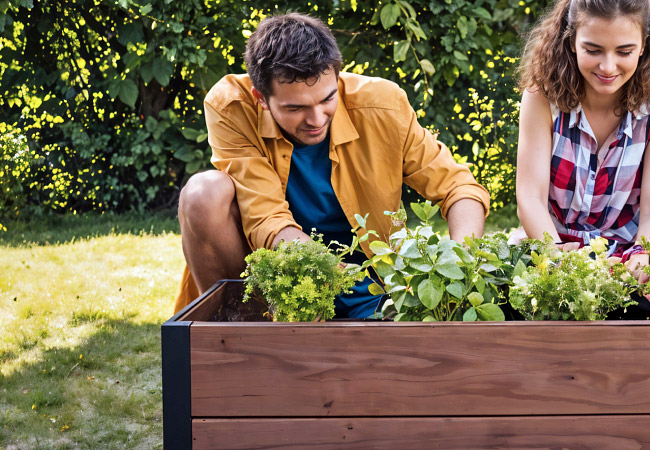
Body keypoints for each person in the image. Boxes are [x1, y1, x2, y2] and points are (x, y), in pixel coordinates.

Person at [174, 13, 489, 318]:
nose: (315, 119)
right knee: (203, 192)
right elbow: (267, 221)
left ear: (337, 77)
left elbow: (458, 188)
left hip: (377, 282)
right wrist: (330, 271)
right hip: (282, 279)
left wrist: (457, 267)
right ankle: (241, 329)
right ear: (261, 98)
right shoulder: (231, 106)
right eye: (295, 107)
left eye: (327, 99)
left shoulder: (383, 104)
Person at [514, 0, 650, 315]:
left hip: (624, 258)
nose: (607, 66)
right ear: (571, 41)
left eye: (624, 52)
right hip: (549, 249)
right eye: (593, 50)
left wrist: (642, 256)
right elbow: (530, 198)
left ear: (644, 46)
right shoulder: (541, 98)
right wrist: (558, 260)